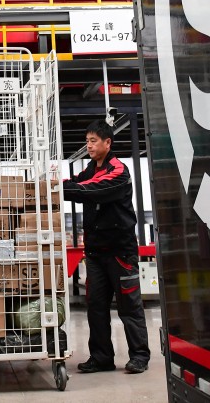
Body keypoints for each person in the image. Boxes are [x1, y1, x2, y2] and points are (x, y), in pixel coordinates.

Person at [62, 119, 150, 374]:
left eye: (93, 141)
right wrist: (56, 185)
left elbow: (89, 190)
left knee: (129, 307)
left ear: (107, 142)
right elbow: (77, 182)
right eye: (87, 141)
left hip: (120, 252)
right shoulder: (90, 169)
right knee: (96, 308)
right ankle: (101, 357)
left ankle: (139, 356)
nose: (88, 145)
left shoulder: (118, 171)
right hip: (96, 253)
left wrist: (60, 189)